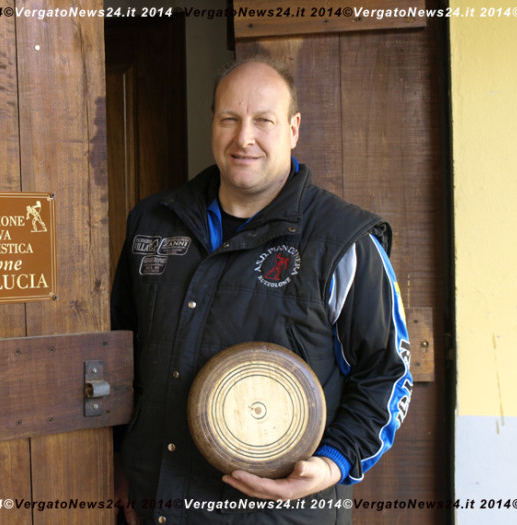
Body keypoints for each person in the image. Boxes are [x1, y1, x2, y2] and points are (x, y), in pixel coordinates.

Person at [111, 56, 412, 525]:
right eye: (229, 118)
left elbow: (388, 373)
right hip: (159, 506)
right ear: (212, 122)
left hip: (282, 515)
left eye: (263, 121)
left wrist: (332, 462)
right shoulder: (153, 223)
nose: (243, 138)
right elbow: (118, 355)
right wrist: (121, 465)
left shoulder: (344, 241)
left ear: (293, 129)